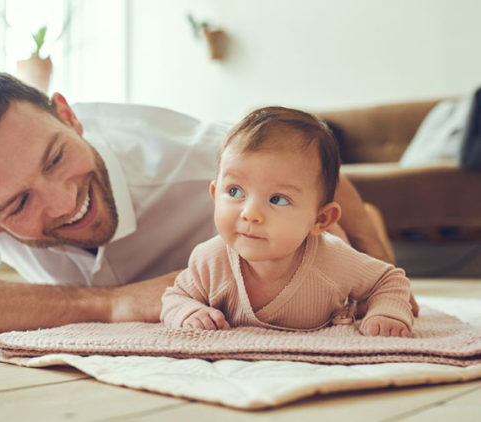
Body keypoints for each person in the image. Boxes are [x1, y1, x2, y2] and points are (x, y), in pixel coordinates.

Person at [0, 71, 402, 334]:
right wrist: (106, 304)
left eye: (56, 158)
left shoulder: (190, 157)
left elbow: (312, 171)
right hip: (204, 287)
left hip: (282, 247)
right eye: (20, 203)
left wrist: (377, 255)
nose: (65, 200)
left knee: (333, 249)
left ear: (69, 116)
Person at [160, 107, 414, 337]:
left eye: (277, 199)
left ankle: (363, 220)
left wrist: (387, 313)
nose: (250, 214)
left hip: (329, 243)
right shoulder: (210, 260)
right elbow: (175, 297)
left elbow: (389, 280)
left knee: (348, 255)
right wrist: (188, 312)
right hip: (312, 232)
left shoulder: (335, 260)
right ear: (216, 195)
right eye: (235, 192)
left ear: (320, 218)